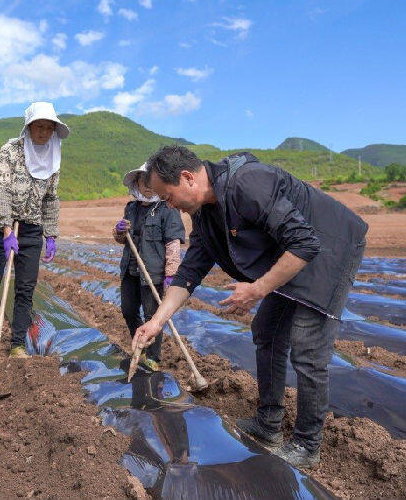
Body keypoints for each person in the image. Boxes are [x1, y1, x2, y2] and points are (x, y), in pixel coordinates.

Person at [134, 146, 367, 468]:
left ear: (187, 178)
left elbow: (305, 243)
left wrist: (257, 289)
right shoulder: (204, 215)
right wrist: (156, 323)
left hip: (328, 249)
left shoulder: (248, 184)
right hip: (290, 256)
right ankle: (269, 424)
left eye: (168, 196)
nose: (167, 204)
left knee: (306, 348)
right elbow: (189, 274)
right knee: (267, 332)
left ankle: (307, 444)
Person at [0, 101, 66, 374]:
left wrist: (51, 234)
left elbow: (51, 199)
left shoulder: (54, 156)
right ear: (28, 127)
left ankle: (18, 344)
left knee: (25, 289)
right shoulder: (10, 150)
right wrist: (7, 229)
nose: (43, 132)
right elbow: (2, 190)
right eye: (39, 126)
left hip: (32, 228)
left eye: (48, 127)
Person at [113, 163, 184, 372]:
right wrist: (119, 231)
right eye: (144, 182)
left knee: (153, 317)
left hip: (153, 274)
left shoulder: (168, 209)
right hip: (130, 270)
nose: (148, 187)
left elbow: (173, 243)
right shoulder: (131, 208)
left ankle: (153, 357)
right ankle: (140, 344)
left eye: (152, 182)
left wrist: (171, 275)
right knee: (128, 310)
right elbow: (121, 239)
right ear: (137, 183)